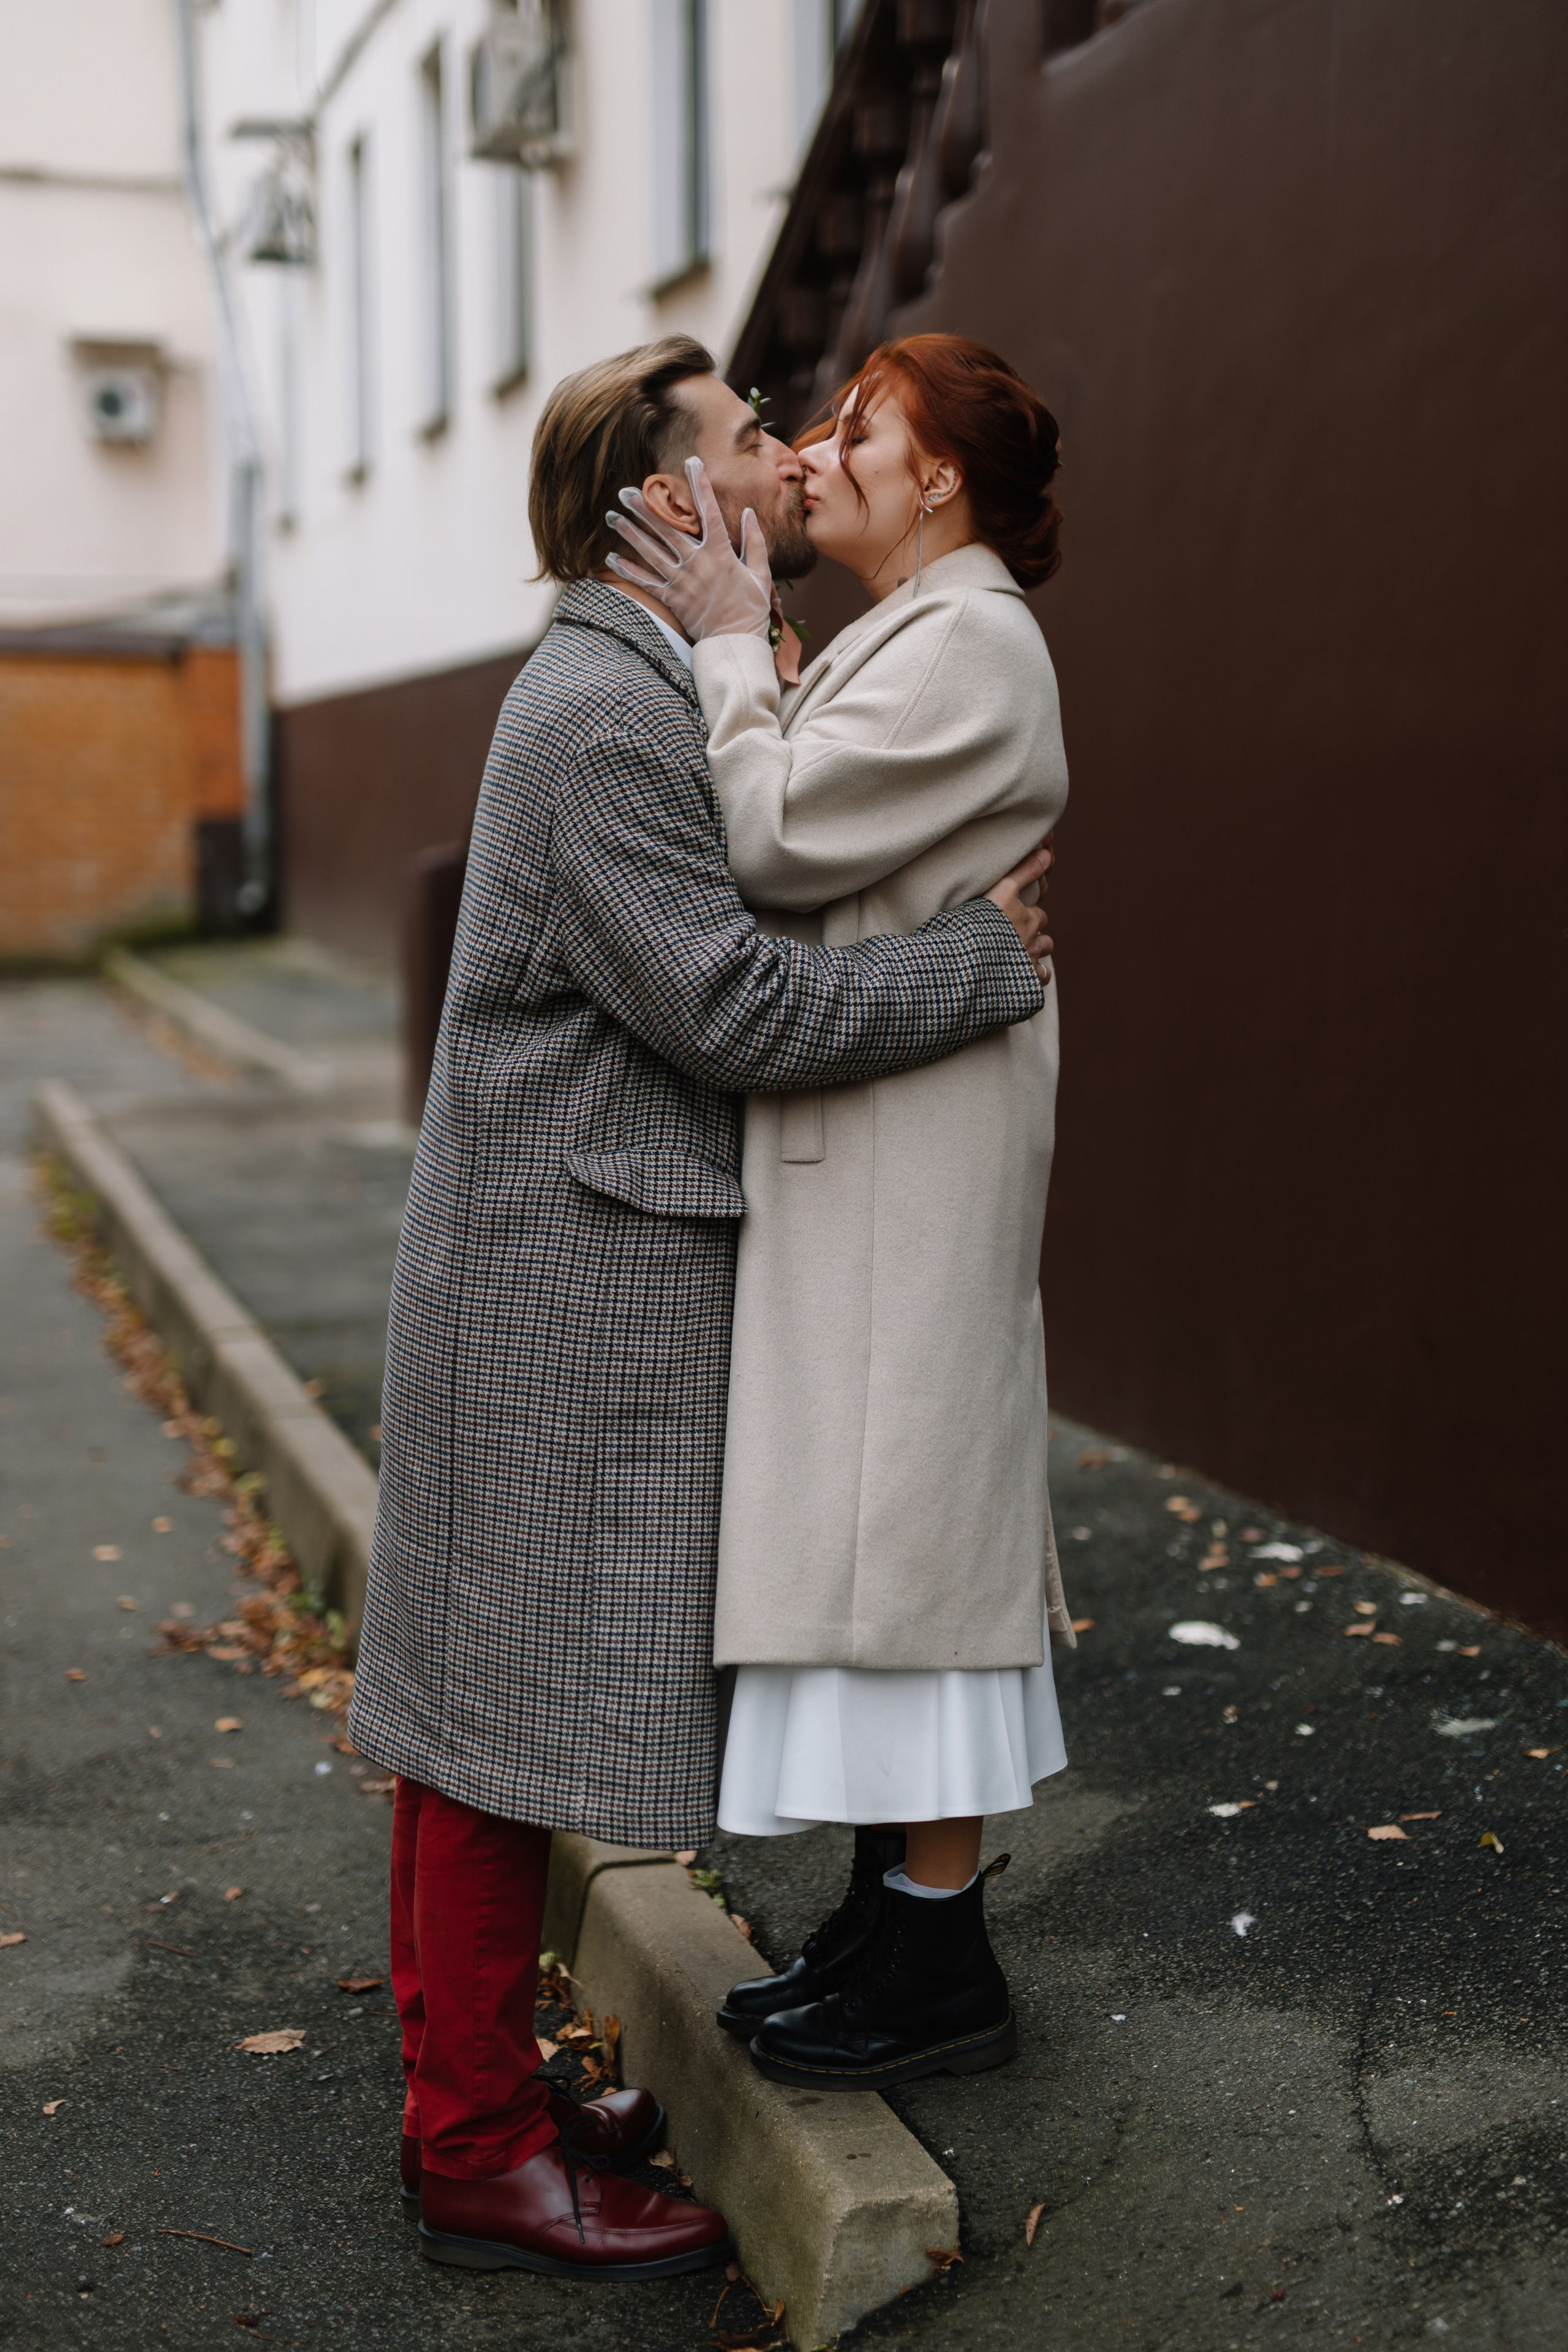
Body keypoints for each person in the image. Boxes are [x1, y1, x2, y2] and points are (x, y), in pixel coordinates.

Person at [345, 334, 1059, 2278]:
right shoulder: (603, 717)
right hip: (552, 1286)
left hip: (560, 1267)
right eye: (753, 439)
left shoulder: (646, 685)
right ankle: (479, 2147)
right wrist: (978, 973)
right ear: (673, 502)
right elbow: (736, 1009)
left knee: (472, 1727)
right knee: (487, 1743)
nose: (786, 452)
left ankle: (476, 2099)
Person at [605, 333, 1074, 2094]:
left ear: (937, 473)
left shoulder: (974, 639)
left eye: (853, 429)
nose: (812, 453)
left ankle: (937, 1956)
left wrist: (733, 654)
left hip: (912, 1144)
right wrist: (772, 665)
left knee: (912, 1541)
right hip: (878, 1120)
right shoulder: (920, 633)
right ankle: (899, 1918)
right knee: (881, 1536)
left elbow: (780, 841)